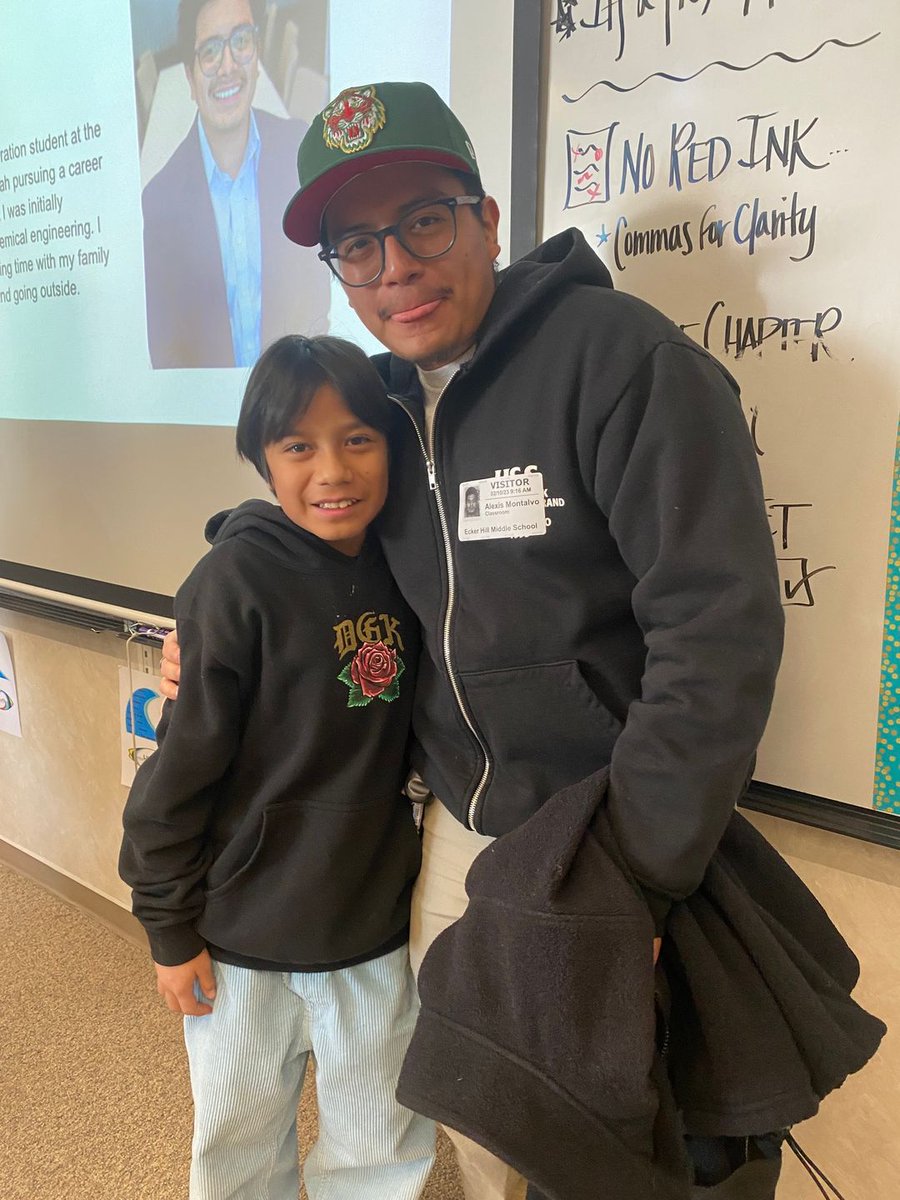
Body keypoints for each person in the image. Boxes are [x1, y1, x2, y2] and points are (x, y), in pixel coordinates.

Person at [162, 81, 786, 1199]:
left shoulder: (622, 363)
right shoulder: (386, 402)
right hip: (458, 832)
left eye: (424, 222)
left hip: (606, 835)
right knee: (492, 1134)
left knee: (624, 1153)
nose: (394, 266)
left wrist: (636, 875)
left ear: (488, 220)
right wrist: (221, 574)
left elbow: (717, 634)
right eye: (357, 246)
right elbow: (319, 512)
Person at [120, 334, 435, 1200]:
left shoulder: (413, 565)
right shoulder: (232, 583)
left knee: (381, 1139)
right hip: (240, 939)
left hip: (372, 929)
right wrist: (169, 927)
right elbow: (179, 773)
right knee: (239, 1142)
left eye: (358, 439)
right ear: (263, 458)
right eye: (299, 445)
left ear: (392, 444)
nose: (332, 469)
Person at [141, 0, 328, 368]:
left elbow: (317, 308)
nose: (228, 66)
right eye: (210, 51)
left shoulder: (299, 155)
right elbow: (168, 357)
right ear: (191, 79)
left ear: (256, 56)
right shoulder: (159, 203)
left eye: (241, 41)